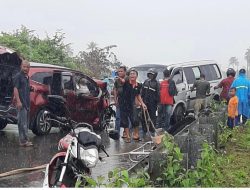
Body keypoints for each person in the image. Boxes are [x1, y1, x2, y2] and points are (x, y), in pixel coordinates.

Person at [119, 68, 147, 143]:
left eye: (133, 74)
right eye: (130, 74)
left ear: (136, 76)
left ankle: (136, 134)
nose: (132, 75)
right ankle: (128, 136)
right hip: (123, 104)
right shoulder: (126, 82)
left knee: (135, 120)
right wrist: (121, 79)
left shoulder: (138, 85)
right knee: (125, 122)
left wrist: (142, 103)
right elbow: (122, 81)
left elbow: (138, 95)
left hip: (132, 105)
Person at [13, 60, 34, 147]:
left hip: (26, 103)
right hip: (21, 103)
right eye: (24, 66)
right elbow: (15, 89)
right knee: (22, 123)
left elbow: (24, 88)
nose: (25, 68)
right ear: (21, 66)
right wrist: (18, 101)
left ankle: (24, 140)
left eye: (27, 67)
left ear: (29, 68)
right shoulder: (18, 76)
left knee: (25, 123)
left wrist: (31, 88)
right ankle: (23, 141)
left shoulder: (27, 77)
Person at [141, 68, 160, 135]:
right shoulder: (146, 81)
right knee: (143, 117)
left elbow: (158, 94)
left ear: (155, 75)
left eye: (152, 74)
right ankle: (144, 131)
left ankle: (152, 131)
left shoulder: (157, 83)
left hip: (153, 104)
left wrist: (158, 103)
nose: (150, 75)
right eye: (149, 74)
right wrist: (141, 101)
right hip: (145, 102)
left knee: (152, 117)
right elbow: (142, 92)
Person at [113, 66, 127, 138]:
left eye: (121, 71)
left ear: (125, 72)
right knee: (118, 117)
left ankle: (126, 133)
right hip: (120, 100)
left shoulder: (128, 79)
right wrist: (115, 100)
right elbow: (115, 90)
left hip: (127, 102)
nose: (120, 73)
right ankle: (116, 133)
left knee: (126, 118)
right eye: (119, 71)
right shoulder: (117, 81)